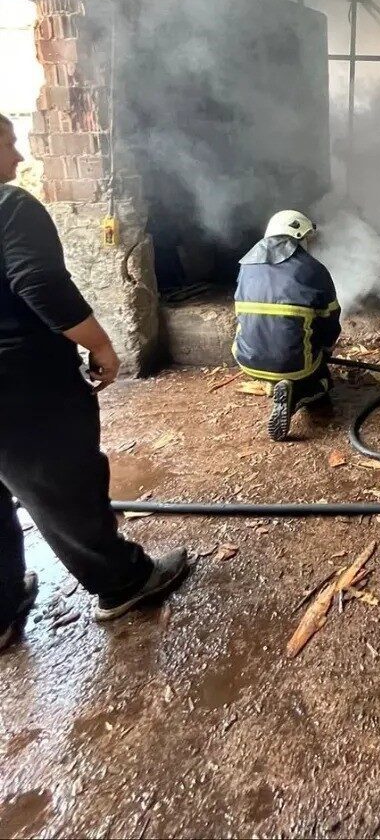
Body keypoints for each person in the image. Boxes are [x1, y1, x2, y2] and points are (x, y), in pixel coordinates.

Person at [0, 114, 187, 652]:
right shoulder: (9, 207)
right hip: (19, 385)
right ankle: (123, 582)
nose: (19, 158)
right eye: (8, 144)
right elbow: (37, 281)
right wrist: (101, 344)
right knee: (60, 483)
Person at [234, 210, 341, 442]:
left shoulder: (245, 265)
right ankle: (298, 395)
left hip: (247, 360)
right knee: (324, 378)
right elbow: (330, 320)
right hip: (294, 364)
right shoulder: (313, 269)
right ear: (298, 236)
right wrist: (326, 349)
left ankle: (272, 383)